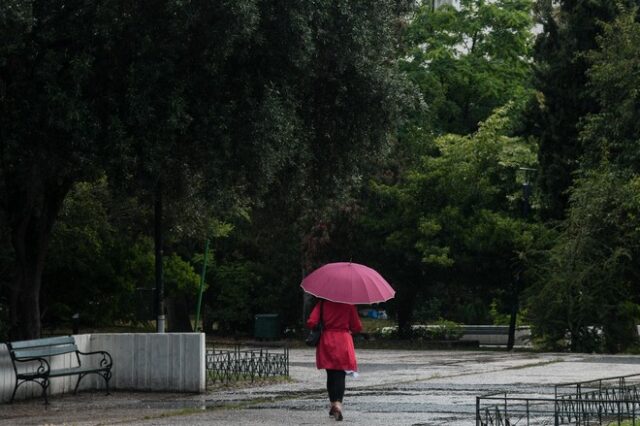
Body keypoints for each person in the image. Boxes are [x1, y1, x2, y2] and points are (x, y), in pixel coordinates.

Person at [306, 298, 362, 421]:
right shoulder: (349, 305)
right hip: (343, 341)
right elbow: (357, 327)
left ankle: (332, 404)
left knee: (330, 374)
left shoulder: (322, 305)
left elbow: (311, 322)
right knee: (340, 375)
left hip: (327, 340)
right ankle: (337, 404)